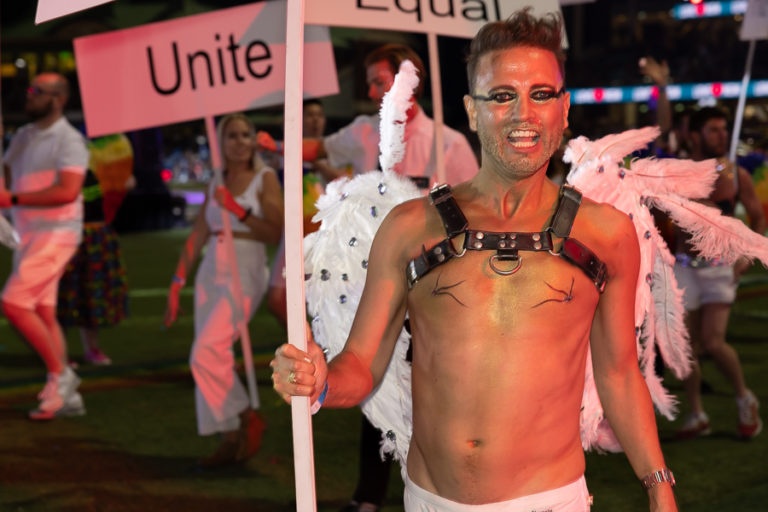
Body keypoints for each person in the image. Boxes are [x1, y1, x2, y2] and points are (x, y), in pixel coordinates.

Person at [272, 10, 678, 512]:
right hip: (430, 500)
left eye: (541, 94)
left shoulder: (607, 234)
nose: (523, 114)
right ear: (471, 110)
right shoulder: (408, 227)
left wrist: (659, 486)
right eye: (502, 96)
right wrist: (320, 381)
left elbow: (618, 374)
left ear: (564, 108)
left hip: (551, 500)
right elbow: (361, 364)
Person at [164, 113, 283, 467]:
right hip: (210, 271)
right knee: (216, 355)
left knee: (205, 352)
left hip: (244, 267)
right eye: (232, 135)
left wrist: (237, 211)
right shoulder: (215, 179)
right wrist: (177, 283)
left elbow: (276, 233)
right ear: (221, 142)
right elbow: (198, 233)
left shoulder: (264, 178)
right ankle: (229, 439)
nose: (240, 141)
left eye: (246, 134)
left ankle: (246, 415)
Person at [258, 43, 479, 190]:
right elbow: (319, 148)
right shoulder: (363, 129)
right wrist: (276, 145)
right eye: (369, 84)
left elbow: (473, 203)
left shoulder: (449, 143)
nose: (371, 93)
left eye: (379, 82)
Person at [0, 72, 88, 420]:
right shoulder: (24, 135)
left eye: (38, 91)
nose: (29, 95)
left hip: (57, 233)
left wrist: (12, 199)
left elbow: (68, 191)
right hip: (28, 233)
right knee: (43, 313)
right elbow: (7, 174)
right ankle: (67, 397)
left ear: (59, 99)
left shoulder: (70, 140)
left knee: (14, 303)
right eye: (30, 90)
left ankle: (61, 375)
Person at [673, 107, 765, 440]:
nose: (722, 135)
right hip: (684, 266)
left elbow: (758, 217)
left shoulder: (736, 174)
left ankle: (744, 398)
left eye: (724, 129)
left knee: (713, 341)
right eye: (713, 130)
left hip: (720, 268)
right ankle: (697, 414)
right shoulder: (680, 172)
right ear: (695, 135)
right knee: (686, 348)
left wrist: (747, 256)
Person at [58, 134, 135, 366]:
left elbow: (102, 202)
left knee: (93, 296)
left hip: (96, 237)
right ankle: (60, 352)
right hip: (70, 237)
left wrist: (120, 185)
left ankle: (92, 348)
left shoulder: (99, 171)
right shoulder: (66, 173)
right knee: (66, 298)